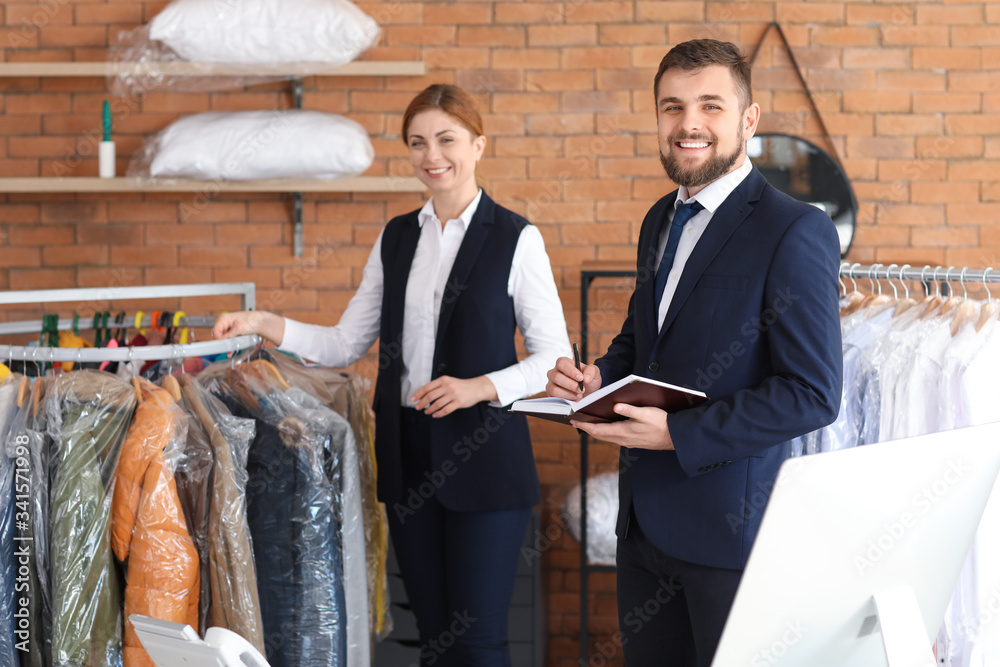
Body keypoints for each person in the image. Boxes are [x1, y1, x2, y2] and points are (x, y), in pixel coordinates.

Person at [214, 84, 571, 667]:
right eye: (417, 142)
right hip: (409, 460)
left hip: (485, 462)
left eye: (447, 139)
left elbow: (552, 359)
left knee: (478, 645)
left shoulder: (517, 238)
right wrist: (265, 322)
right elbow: (344, 343)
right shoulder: (397, 237)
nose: (433, 155)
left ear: (479, 145)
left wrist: (477, 387)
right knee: (435, 642)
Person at [546, 40, 843, 666]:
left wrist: (678, 436)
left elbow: (812, 393)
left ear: (749, 120)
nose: (689, 124)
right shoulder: (660, 218)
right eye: (672, 106)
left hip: (730, 540)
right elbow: (642, 340)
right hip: (643, 532)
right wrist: (599, 374)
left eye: (711, 105)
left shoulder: (795, 229)